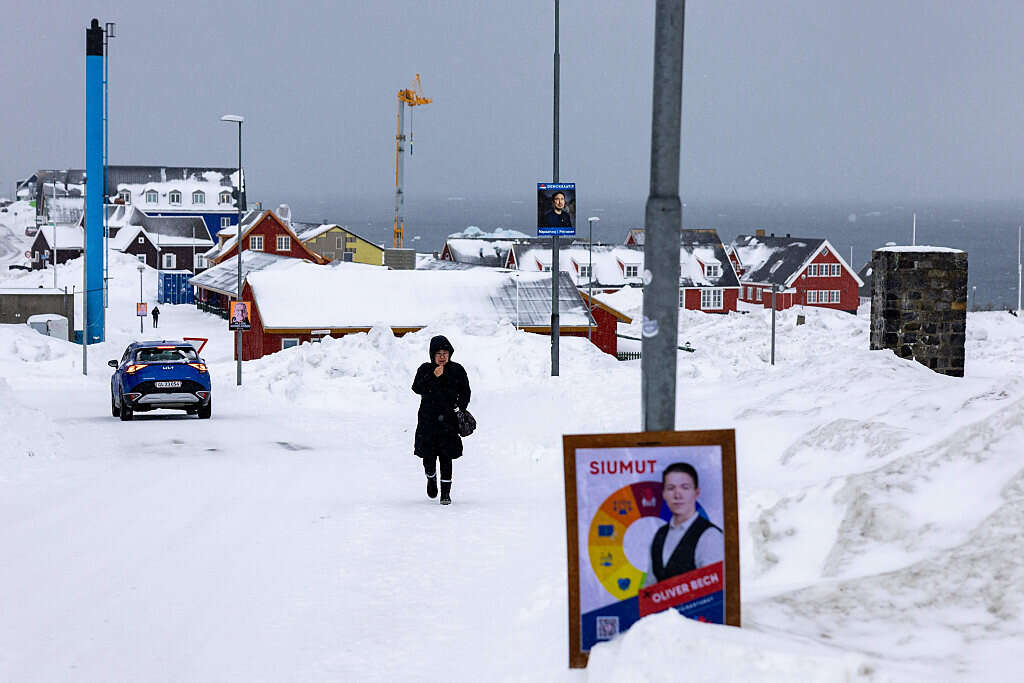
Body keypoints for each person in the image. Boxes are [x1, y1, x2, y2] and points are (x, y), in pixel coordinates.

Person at [643, 463, 724, 588]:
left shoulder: (710, 535)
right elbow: (650, 587)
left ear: (696, 493)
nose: (677, 495)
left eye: (685, 488)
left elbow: (714, 591)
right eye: (671, 488)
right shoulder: (659, 535)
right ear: (663, 494)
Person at [411, 335, 471, 505]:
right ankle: (431, 477)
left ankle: (445, 493)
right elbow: (416, 388)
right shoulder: (425, 369)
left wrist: (460, 407)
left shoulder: (457, 370)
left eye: (445, 353)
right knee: (428, 456)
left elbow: (465, 392)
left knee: (446, 456)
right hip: (428, 421)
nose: (442, 357)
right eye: (438, 353)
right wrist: (433, 375)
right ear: (432, 355)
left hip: (448, 421)